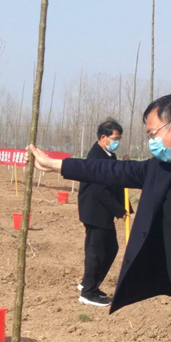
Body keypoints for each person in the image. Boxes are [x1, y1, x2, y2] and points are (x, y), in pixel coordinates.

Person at [26, 92, 171, 314]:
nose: (152, 142)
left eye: (153, 133)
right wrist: (56, 165)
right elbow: (108, 171)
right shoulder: (160, 168)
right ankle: (89, 288)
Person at [76, 118, 129, 307]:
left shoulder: (109, 155)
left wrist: (124, 167)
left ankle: (90, 284)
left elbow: (114, 181)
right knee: (97, 252)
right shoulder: (96, 157)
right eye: (115, 138)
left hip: (103, 212)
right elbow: (100, 189)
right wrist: (119, 210)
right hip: (95, 211)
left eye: (119, 139)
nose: (117, 142)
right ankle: (88, 292)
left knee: (110, 248)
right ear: (103, 137)